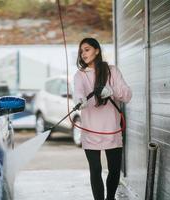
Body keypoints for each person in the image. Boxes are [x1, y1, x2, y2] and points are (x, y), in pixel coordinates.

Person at [73, 38, 132, 200]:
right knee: (95, 170)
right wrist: (79, 100)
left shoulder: (112, 71)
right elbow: (78, 91)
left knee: (114, 170)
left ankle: (110, 198)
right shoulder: (80, 75)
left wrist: (111, 90)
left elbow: (127, 94)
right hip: (90, 130)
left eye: (87, 49)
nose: (83, 54)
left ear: (97, 50)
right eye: (81, 51)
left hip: (112, 129)